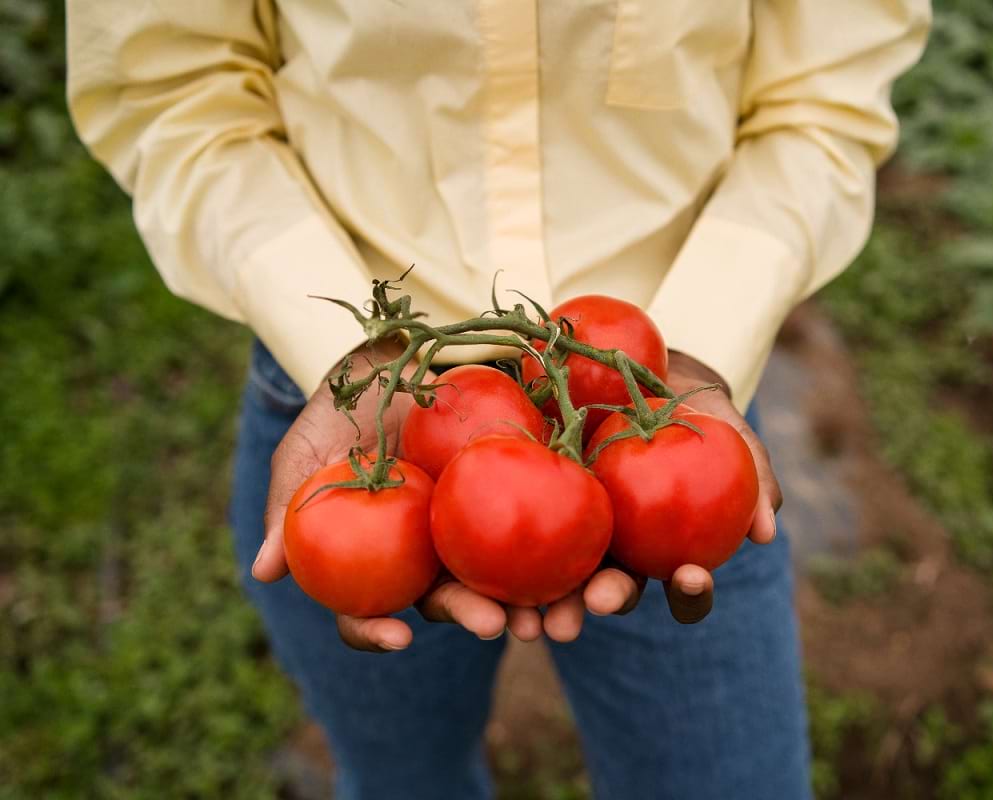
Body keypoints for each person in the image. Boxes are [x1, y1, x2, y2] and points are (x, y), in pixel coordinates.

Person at [67, 2, 930, 797]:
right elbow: (175, 85)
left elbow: (825, 91)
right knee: (403, 781)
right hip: (362, 428)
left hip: (664, 416)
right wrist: (356, 353)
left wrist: (702, 339)